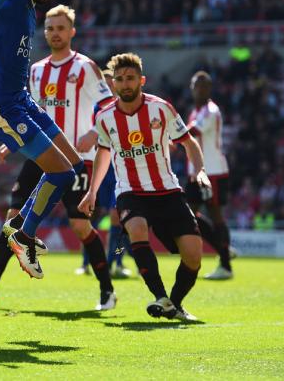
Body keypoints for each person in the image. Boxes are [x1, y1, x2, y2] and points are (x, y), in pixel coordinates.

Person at [0, 4, 116, 310]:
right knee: (12, 221)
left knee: (80, 227)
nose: (54, 33)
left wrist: (97, 134)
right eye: (49, 28)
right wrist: (13, 141)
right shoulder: (34, 70)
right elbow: (24, 110)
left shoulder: (85, 67)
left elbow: (108, 106)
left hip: (76, 158)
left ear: (72, 31)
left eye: (61, 28)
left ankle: (107, 292)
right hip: (39, 156)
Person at [0, 0, 83, 279]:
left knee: (75, 165)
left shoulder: (30, 10)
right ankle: (24, 235)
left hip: (21, 100)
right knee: (61, 174)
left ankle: (21, 224)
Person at [78, 53, 211, 321]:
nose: (125, 84)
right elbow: (103, 155)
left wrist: (200, 171)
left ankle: (173, 303)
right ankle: (160, 296)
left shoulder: (161, 108)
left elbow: (189, 143)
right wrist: (91, 192)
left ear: (142, 80)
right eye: (119, 79)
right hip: (130, 191)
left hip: (167, 190)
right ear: (112, 83)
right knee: (136, 230)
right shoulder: (105, 117)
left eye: (130, 78)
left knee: (194, 255)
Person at [77, 67, 133, 279]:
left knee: (117, 220)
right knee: (91, 217)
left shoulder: (124, 109)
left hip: (117, 171)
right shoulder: (96, 109)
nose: (110, 86)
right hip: (98, 168)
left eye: (112, 83)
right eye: (106, 83)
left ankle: (115, 262)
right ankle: (86, 262)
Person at [185, 71, 234, 280]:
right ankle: (224, 250)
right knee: (191, 215)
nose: (201, 90)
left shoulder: (210, 111)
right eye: (198, 85)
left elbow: (193, 132)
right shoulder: (195, 112)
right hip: (196, 172)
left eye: (205, 86)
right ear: (192, 88)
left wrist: (170, 135)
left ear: (210, 89)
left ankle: (225, 262)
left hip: (211, 171)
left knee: (214, 215)